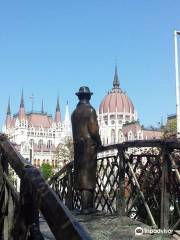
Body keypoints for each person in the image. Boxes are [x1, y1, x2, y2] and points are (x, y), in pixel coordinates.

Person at [71, 86, 102, 214]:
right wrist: (99, 142)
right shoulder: (90, 110)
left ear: (79, 97)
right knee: (88, 177)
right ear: (88, 97)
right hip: (89, 147)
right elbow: (94, 130)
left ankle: (86, 206)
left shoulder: (74, 113)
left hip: (78, 148)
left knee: (81, 175)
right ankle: (86, 208)